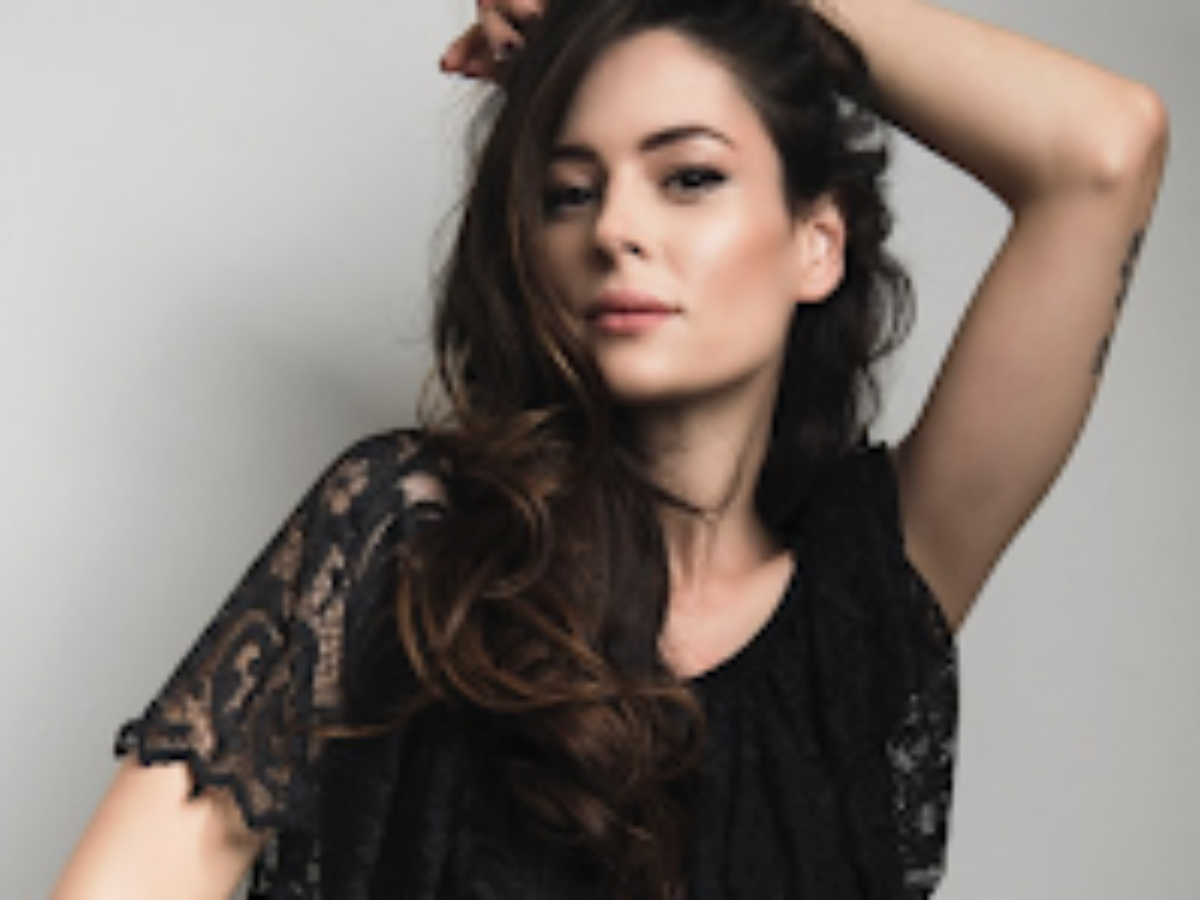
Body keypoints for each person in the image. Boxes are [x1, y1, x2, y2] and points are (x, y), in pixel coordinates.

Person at [53, 0, 1167, 896]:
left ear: (816, 242)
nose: (616, 229)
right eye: (569, 192)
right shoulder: (408, 538)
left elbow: (1105, 149)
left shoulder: (865, 599)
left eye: (689, 177)